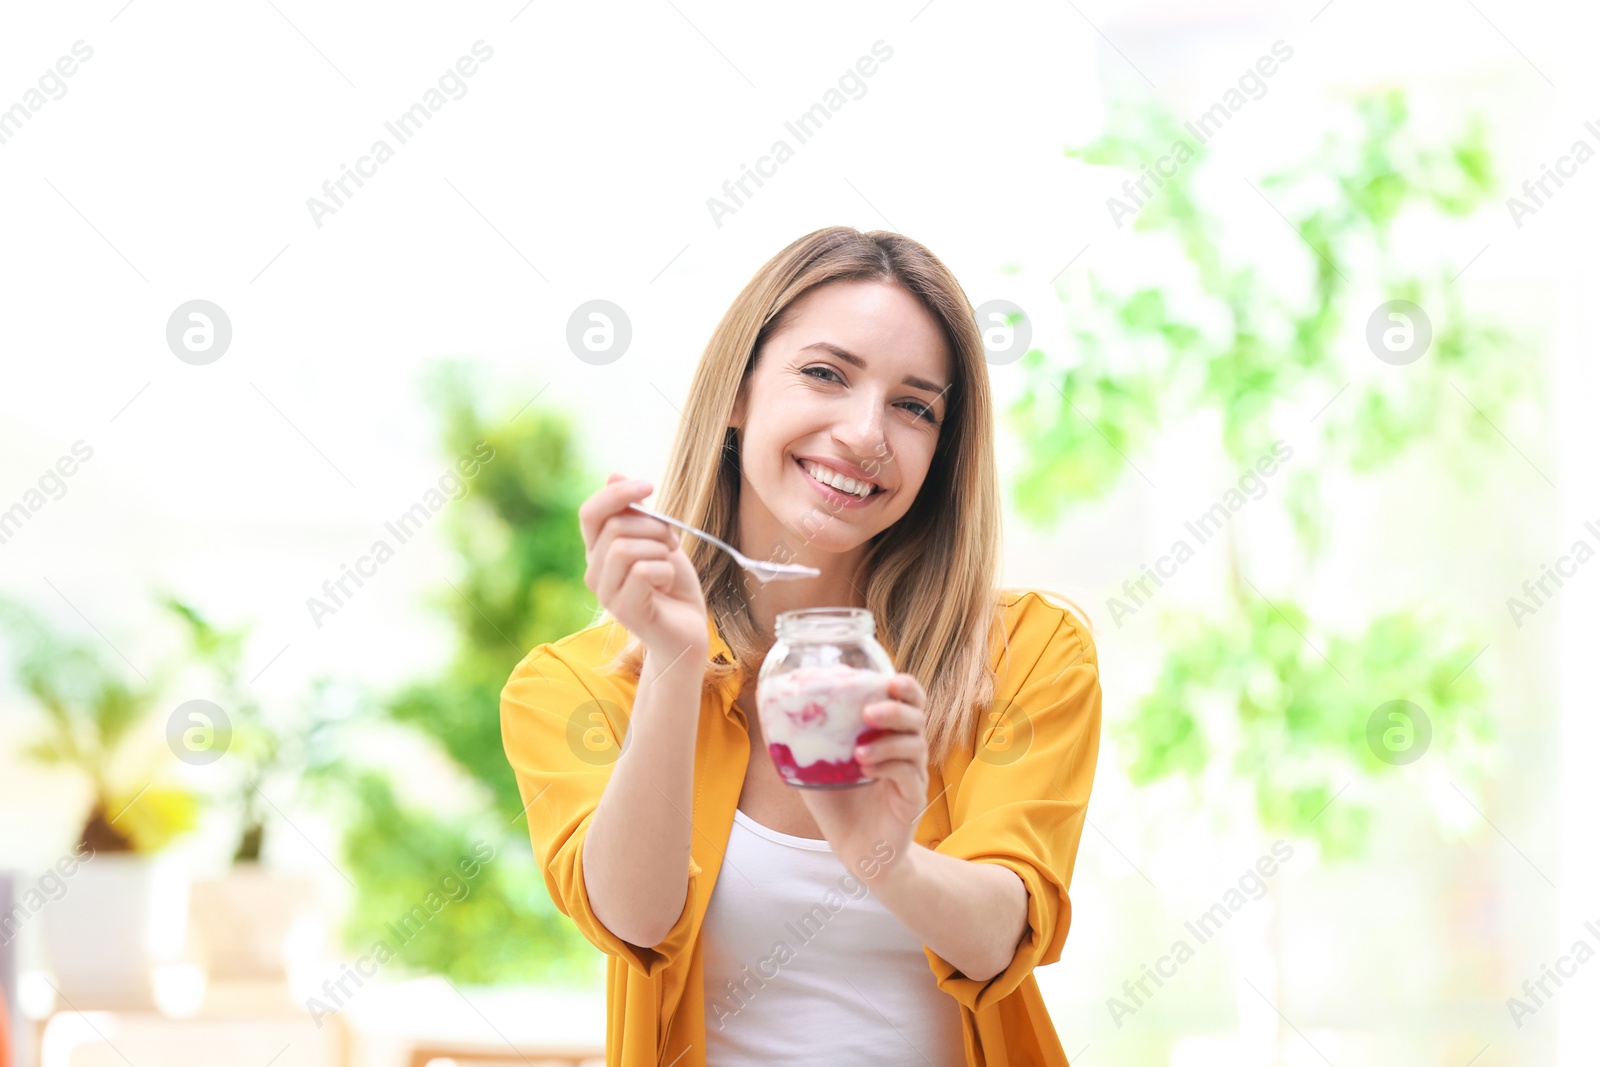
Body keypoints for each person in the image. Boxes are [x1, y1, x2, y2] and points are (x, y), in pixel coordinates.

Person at [501, 226, 1102, 1065]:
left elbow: (1003, 933)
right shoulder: (570, 685)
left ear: (943, 449)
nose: (866, 432)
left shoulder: (1028, 651)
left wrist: (885, 856)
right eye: (827, 373)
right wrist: (673, 665)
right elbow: (635, 919)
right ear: (739, 394)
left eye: (914, 405)